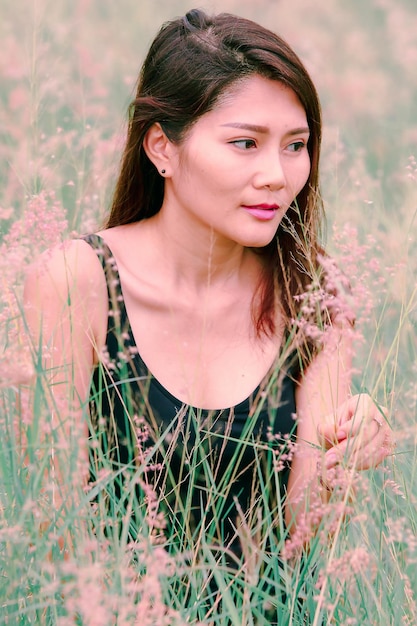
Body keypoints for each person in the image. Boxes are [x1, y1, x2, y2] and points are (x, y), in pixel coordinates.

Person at [23, 6, 391, 611]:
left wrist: (343, 460)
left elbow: (299, 547)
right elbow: (49, 530)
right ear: (162, 147)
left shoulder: (314, 291)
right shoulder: (77, 283)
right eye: (245, 143)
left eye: (296, 145)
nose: (276, 175)